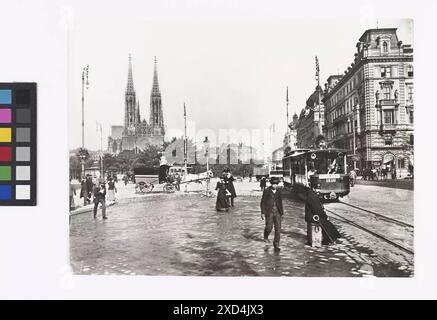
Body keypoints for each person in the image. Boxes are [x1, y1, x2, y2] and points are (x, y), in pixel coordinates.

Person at [260, 177, 284, 252]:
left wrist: (282, 213)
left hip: (277, 212)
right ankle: (266, 236)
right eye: (273, 184)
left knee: (278, 229)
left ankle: (276, 243)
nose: (274, 185)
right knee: (269, 227)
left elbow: (280, 202)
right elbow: (262, 202)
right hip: (269, 212)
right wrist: (262, 212)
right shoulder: (267, 191)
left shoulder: (279, 191)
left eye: (276, 184)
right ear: (271, 184)